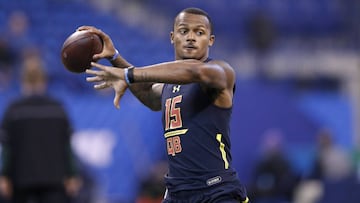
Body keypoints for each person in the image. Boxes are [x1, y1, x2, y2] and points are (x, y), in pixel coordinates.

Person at [81, 7, 249, 203]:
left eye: (200, 32)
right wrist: (115, 58)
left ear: (210, 40)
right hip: (177, 192)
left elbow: (196, 73)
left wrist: (128, 75)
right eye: (184, 31)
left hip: (216, 191)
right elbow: (147, 95)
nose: (191, 37)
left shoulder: (221, 71)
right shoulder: (168, 85)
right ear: (172, 36)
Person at [0, 50, 81, 203]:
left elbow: (7, 149)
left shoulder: (14, 110)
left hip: (22, 182)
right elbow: (67, 147)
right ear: (44, 80)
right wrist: (72, 174)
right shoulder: (57, 109)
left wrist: (4, 176)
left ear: (22, 80)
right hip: (54, 181)